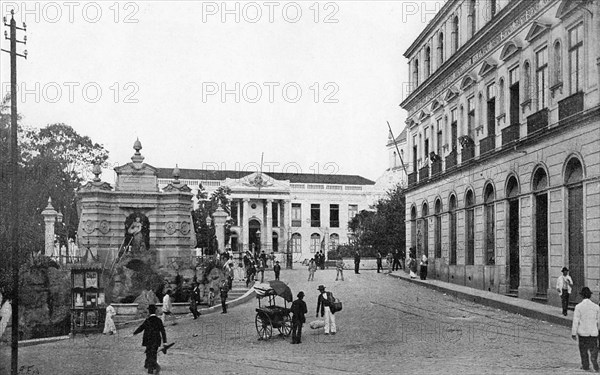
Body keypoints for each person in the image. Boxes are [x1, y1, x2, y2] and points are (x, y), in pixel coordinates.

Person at [571, 287, 600, 372]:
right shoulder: (596, 307)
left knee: (583, 350)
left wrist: (574, 332)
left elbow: (576, 320)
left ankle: (585, 365)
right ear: (590, 295)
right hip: (593, 332)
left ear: (582, 296)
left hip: (583, 332)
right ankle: (594, 359)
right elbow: (598, 320)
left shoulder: (578, 307)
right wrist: (597, 329)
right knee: (594, 348)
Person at [133, 304, 167, 374]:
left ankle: (149, 366)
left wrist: (134, 333)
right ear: (155, 311)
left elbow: (141, 327)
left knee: (148, 352)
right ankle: (152, 366)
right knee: (154, 353)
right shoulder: (158, 320)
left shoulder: (147, 320)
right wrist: (165, 342)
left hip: (148, 340)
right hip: (156, 340)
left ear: (149, 311)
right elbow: (163, 331)